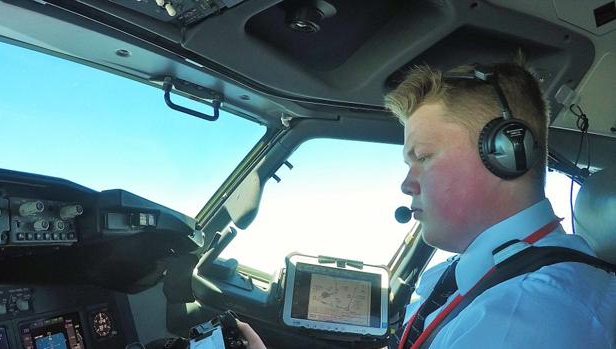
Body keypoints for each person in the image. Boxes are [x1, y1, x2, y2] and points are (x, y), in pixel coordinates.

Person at [238, 60, 616, 348]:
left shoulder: (519, 319)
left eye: (422, 156)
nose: (406, 184)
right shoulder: (497, 273)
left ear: (506, 153)